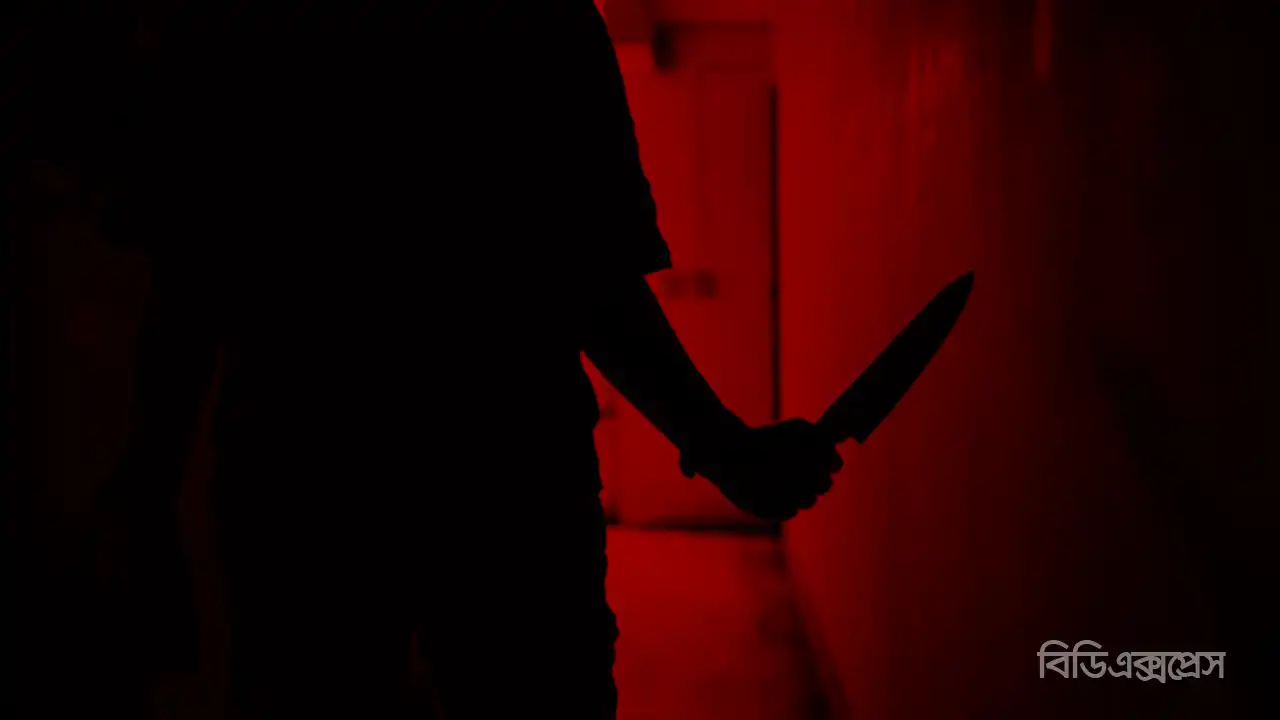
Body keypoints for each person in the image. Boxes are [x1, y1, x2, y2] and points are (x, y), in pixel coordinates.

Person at [9, 3, 842, 718]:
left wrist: (146, 490)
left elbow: (191, 279)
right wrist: (723, 446)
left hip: (307, 487)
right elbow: (599, 286)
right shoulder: (534, 25)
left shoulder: (242, 32)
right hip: (502, 483)